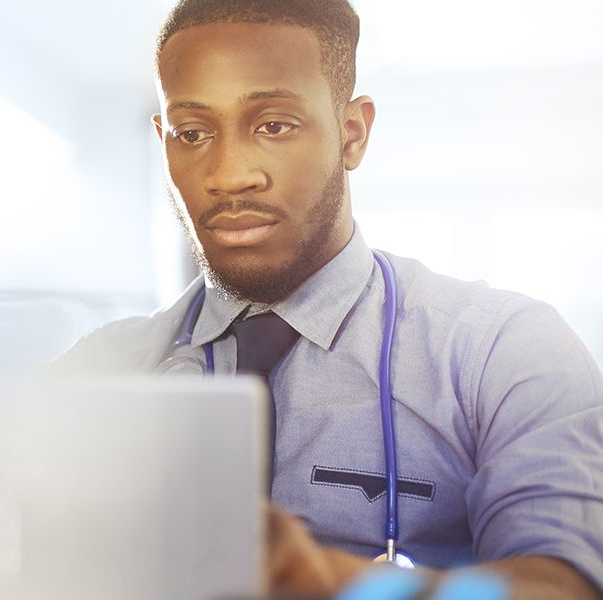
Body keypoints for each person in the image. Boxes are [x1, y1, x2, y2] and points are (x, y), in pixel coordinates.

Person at [51, 1, 603, 598]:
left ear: (352, 133)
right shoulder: (95, 371)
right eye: (192, 133)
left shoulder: (501, 350)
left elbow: (563, 588)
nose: (230, 174)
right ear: (163, 142)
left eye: (274, 125)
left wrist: (350, 586)